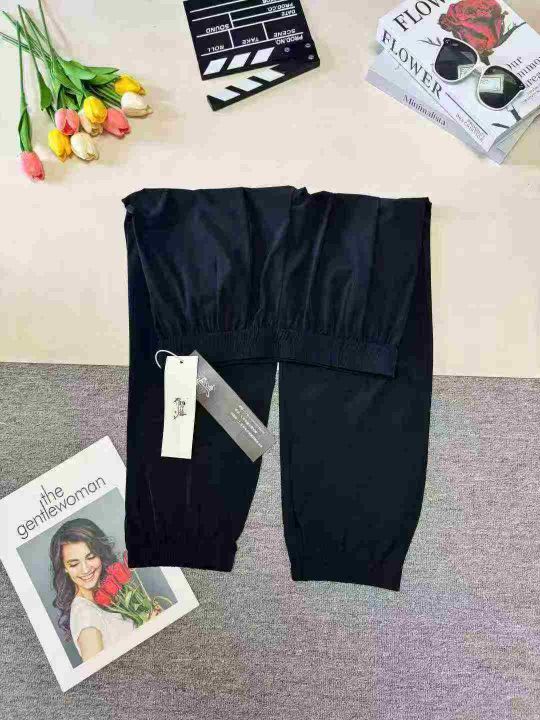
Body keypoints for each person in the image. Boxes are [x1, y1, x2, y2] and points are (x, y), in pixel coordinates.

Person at [50, 518, 136, 661]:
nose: (85, 569)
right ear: (64, 568)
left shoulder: (102, 598)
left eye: (90, 557)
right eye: (74, 564)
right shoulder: (86, 617)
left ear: (100, 554)